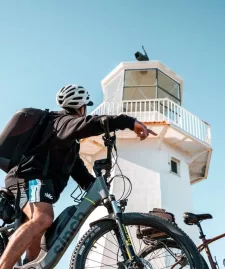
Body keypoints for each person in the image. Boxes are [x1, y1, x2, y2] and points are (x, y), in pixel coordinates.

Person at [0, 84, 157, 269]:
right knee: (43, 218)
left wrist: (97, 187)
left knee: (36, 250)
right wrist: (128, 122)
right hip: (27, 178)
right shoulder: (61, 122)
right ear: (81, 108)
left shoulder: (69, 143)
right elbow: (87, 125)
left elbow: (79, 173)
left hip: (40, 184)